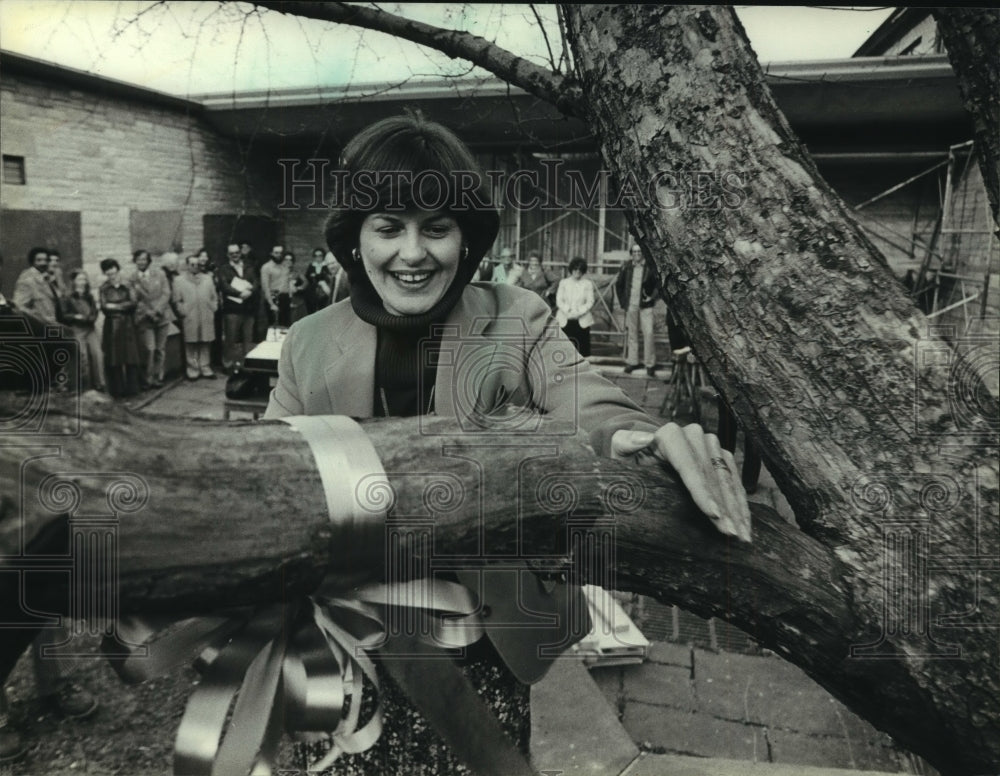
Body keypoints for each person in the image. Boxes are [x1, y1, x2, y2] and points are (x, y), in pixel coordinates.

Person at [264, 115, 750, 774]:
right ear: (354, 237)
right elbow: (268, 464)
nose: (413, 253)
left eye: (435, 228)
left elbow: (580, 394)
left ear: (466, 239)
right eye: (388, 227)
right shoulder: (309, 341)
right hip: (345, 648)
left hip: (483, 650)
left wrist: (633, 435)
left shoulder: (515, 318)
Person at [130, 249, 174, 389]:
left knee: (160, 349)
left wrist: (157, 310)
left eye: (144, 259)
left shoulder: (160, 274)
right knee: (150, 349)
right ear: (135, 261)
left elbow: (166, 293)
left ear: (148, 260)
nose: (141, 262)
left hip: (161, 317)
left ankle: (157, 377)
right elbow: (134, 300)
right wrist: (148, 312)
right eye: (138, 259)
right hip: (145, 318)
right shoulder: (132, 278)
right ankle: (147, 378)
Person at [615, 243, 661, 376]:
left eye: (639, 252)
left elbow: (658, 285)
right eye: (634, 252)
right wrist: (624, 303)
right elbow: (619, 285)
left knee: (649, 333)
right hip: (631, 305)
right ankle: (633, 362)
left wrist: (652, 298)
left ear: (643, 253)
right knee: (632, 335)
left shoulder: (650, 267)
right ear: (631, 254)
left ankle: (650, 364)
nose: (637, 254)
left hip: (646, 306)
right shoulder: (626, 267)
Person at [98, 258, 141, 398]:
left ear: (118, 270)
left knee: (130, 356)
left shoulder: (127, 285)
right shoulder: (104, 288)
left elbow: (133, 303)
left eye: (114, 272)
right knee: (114, 358)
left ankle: (133, 389)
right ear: (105, 273)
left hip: (127, 324)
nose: (112, 276)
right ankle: (118, 390)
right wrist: (123, 305)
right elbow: (104, 307)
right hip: (112, 325)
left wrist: (115, 306)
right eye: (109, 273)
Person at [172, 254, 219, 380]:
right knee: (191, 342)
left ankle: (205, 367)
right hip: (190, 315)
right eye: (192, 264)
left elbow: (214, 296)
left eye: (198, 264)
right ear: (187, 265)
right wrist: (183, 311)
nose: (195, 267)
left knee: (205, 341)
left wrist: (213, 308)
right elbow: (177, 300)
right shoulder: (179, 280)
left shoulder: (207, 278)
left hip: (206, 314)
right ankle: (193, 368)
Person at [216, 242, 260, 372]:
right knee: (231, 338)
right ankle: (229, 365)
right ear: (228, 255)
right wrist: (240, 293)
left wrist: (251, 291)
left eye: (236, 252)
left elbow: (256, 282)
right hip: (232, 309)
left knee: (248, 338)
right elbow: (224, 286)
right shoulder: (223, 269)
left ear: (240, 253)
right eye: (231, 253)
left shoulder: (249, 267)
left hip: (248, 308)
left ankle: (247, 364)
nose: (234, 255)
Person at [60, 271, 106, 392]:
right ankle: (85, 386)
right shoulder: (67, 297)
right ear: (74, 281)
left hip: (90, 328)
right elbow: (63, 315)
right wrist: (75, 317)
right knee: (82, 356)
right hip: (77, 328)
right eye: (80, 279)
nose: (82, 282)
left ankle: (100, 384)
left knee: (98, 354)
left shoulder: (89, 296)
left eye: (84, 279)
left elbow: (94, 311)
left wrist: (92, 318)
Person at [555, 256, 596, 357]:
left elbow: (590, 301)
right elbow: (559, 300)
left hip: (582, 320)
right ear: (571, 269)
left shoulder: (587, 284)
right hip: (565, 319)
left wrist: (579, 312)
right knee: (564, 350)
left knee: (582, 351)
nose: (577, 271)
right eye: (575, 269)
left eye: (580, 269)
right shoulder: (563, 283)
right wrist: (567, 310)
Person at [13, 247, 59, 325]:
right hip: (38, 328)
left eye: (46, 260)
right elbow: (19, 307)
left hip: (51, 327)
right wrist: (39, 319)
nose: (43, 263)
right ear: (32, 262)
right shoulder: (26, 280)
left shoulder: (47, 279)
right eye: (39, 260)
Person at [261, 245, 293, 327]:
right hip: (274, 298)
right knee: (274, 327)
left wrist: (290, 299)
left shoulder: (286, 266)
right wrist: (271, 304)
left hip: (285, 299)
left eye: (281, 253)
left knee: (286, 325)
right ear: (271, 253)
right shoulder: (266, 267)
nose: (279, 255)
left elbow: (287, 283)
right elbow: (266, 287)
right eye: (276, 253)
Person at [303, 247, 332, 313]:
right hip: (312, 290)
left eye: (320, 255)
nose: (318, 257)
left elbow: (328, 277)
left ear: (323, 256)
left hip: (324, 291)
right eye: (316, 256)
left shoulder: (326, 265)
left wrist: (315, 276)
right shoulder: (311, 266)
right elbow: (307, 277)